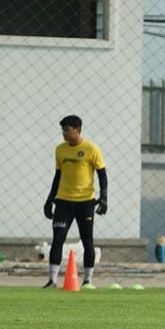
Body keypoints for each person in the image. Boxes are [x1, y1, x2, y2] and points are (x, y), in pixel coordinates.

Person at [42, 115, 108, 288]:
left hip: (85, 202)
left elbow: (102, 174)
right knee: (57, 239)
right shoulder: (60, 150)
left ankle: (87, 280)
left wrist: (104, 197)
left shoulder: (91, 149)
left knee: (87, 241)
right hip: (63, 202)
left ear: (77, 130)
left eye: (67, 130)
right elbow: (57, 176)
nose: (64, 133)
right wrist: (50, 200)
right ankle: (52, 281)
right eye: (63, 130)